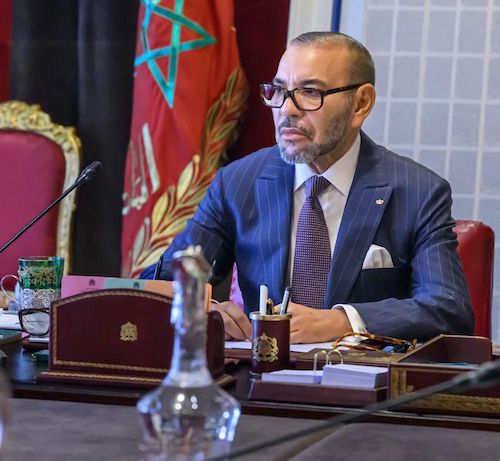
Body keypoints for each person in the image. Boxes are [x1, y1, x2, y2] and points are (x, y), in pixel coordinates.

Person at [142, 32, 474, 344]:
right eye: (278, 91)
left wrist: (343, 321)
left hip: (362, 378)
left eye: (310, 92)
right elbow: (161, 283)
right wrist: (202, 308)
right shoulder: (238, 182)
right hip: (259, 375)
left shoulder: (418, 191)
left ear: (360, 104)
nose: (287, 109)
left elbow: (449, 308)